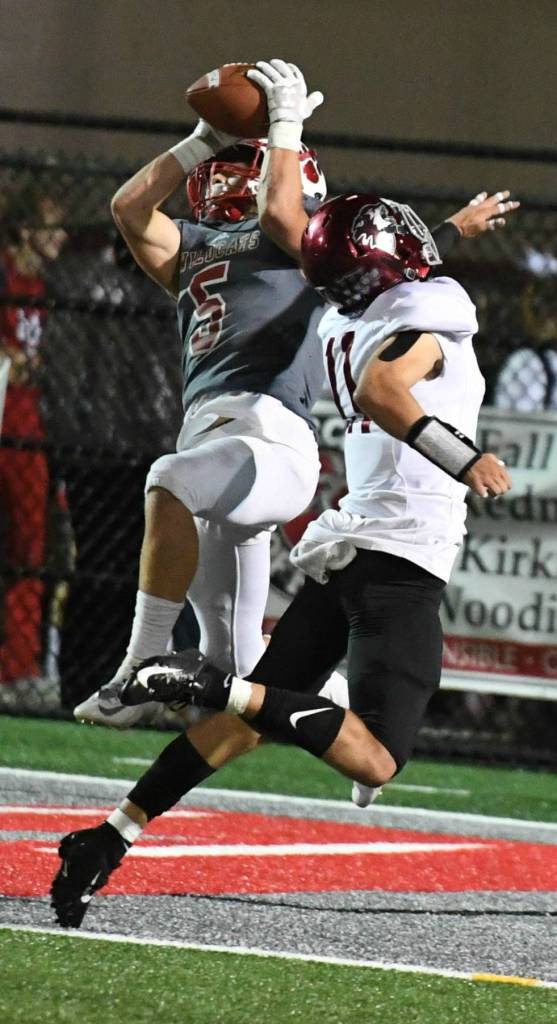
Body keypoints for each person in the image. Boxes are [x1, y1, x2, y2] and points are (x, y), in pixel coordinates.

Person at [50, 62, 516, 928]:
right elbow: (387, 370)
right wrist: (465, 457)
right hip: (398, 551)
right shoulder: (414, 310)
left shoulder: (342, 315)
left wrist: (446, 225)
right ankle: (184, 673)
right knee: (371, 760)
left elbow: (363, 264)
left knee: (255, 711)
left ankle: (110, 833)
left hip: (340, 539)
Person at [0, 185, 68, 706]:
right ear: (26, 231)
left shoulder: (49, 285)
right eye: (50, 225)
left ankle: (18, 668)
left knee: (31, 549)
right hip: (11, 421)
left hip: (30, 428)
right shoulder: (7, 275)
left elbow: (36, 360)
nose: (61, 236)